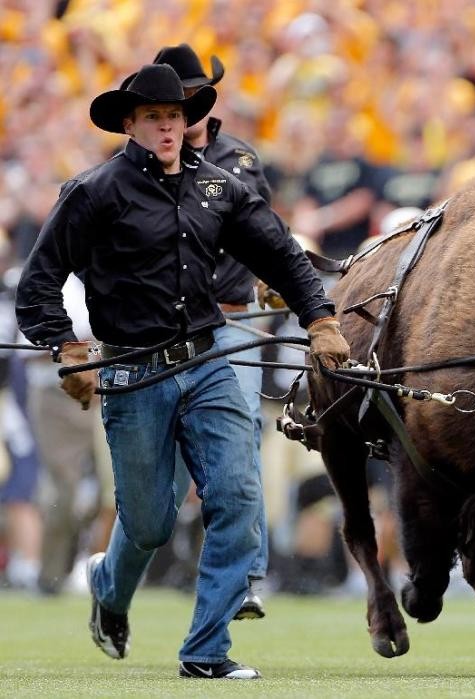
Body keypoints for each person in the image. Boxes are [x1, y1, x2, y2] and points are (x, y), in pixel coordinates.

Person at [15, 63, 350, 680]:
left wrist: (320, 319)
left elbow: (281, 255)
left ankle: (206, 652)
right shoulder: (94, 193)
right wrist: (66, 350)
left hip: (209, 356)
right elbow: (38, 284)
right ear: (130, 124)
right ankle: (110, 591)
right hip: (135, 372)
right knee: (149, 521)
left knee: (239, 494)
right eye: (153, 118)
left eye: (174, 117)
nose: (167, 128)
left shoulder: (219, 189)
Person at [107, 43, 273, 620]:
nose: (176, 116)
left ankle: (247, 576)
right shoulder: (123, 175)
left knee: (243, 428)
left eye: (182, 105)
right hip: (158, 333)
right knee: (161, 490)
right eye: (161, 109)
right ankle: (112, 583)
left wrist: (287, 288)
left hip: (232, 318)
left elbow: (266, 235)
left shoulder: (241, 160)